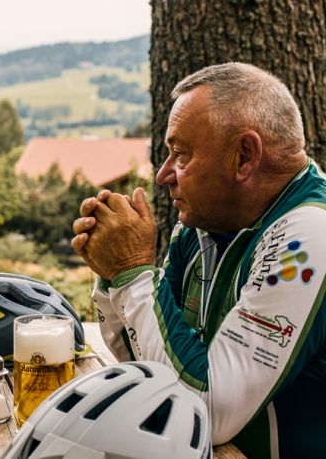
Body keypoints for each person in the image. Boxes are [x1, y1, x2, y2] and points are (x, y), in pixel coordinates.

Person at [72, 62, 326, 458]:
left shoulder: (310, 235)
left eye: (181, 155)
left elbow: (205, 412)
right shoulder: (203, 224)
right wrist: (112, 274)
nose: (163, 174)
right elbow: (142, 358)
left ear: (243, 156)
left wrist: (131, 275)